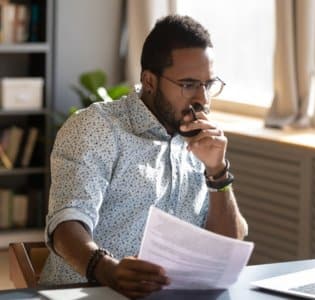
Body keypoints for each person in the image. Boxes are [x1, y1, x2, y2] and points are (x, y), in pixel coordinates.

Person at [39, 15, 248, 298]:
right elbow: (66, 225)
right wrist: (108, 271)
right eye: (188, 84)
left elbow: (227, 249)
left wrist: (217, 172)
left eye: (208, 84)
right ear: (149, 81)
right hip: (87, 294)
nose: (203, 99)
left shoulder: (201, 141)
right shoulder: (97, 128)